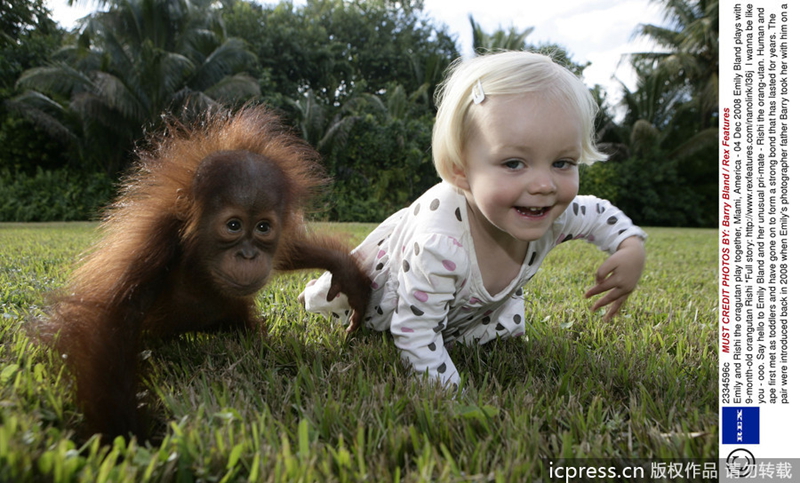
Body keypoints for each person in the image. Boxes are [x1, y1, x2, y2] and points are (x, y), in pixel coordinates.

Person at [300, 51, 647, 387]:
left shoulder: (552, 213)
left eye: (563, 163)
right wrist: (453, 397)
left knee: (471, 326)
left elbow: (599, 214)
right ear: (461, 171)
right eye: (514, 163)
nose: (545, 185)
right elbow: (414, 332)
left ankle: (465, 328)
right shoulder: (440, 246)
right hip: (389, 304)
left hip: (469, 309)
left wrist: (630, 246)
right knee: (409, 320)